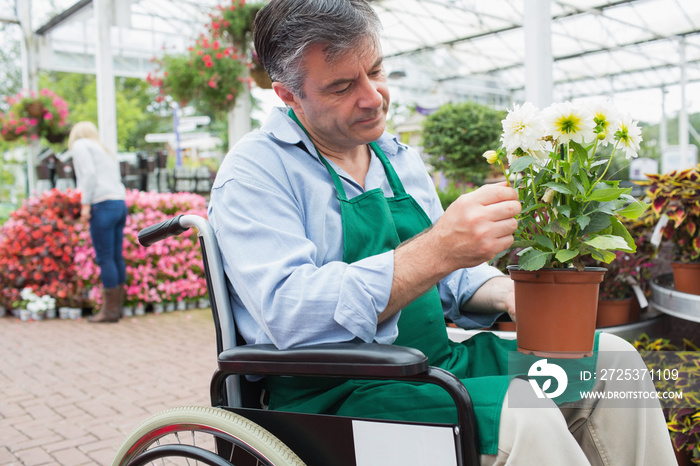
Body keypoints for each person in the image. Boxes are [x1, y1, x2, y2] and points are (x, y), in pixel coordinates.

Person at [208, 1, 676, 464]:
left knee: (612, 365)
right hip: (339, 397)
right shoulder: (255, 173)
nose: (373, 97)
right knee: (526, 414)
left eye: (376, 70)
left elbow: (451, 280)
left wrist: (511, 293)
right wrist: (437, 249)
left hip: (435, 368)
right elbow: (291, 313)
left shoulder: (397, 158)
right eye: (343, 86)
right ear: (289, 96)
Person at [68, 121, 127, 323]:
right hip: (119, 202)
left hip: (102, 204)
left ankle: (109, 311)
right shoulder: (103, 149)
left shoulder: (79, 146)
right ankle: (116, 309)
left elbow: (89, 174)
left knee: (105, 257)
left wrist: (85, 204)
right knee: (116, 256)